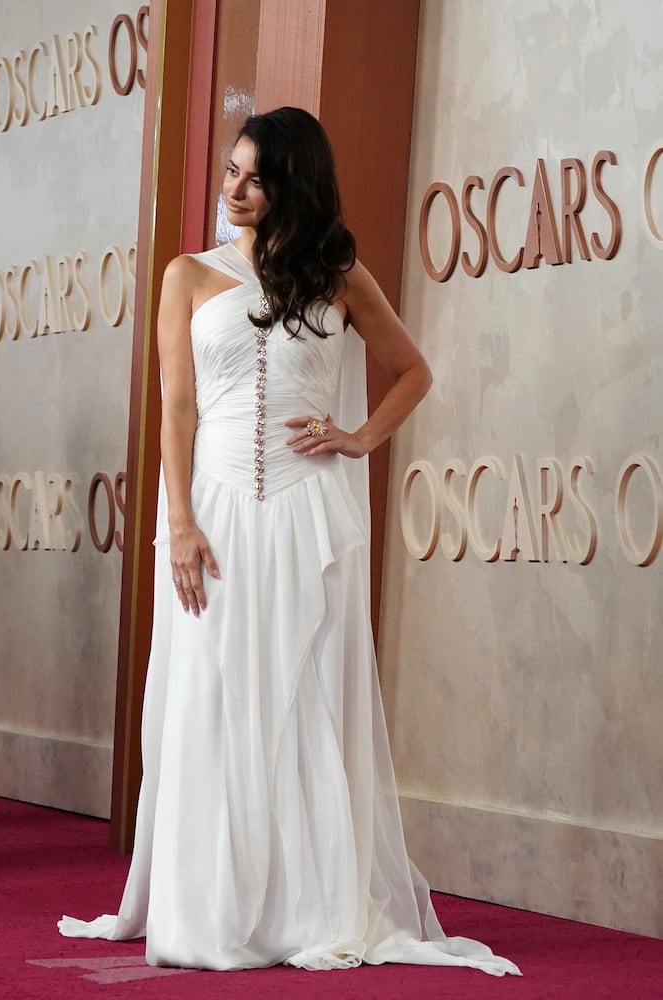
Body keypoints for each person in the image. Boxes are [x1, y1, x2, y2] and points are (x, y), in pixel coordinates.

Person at [58, 108, 519, 976]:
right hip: (217, 515)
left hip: (308, 516)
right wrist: (180, 522)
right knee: (211, 692)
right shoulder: (187, 276)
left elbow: (414, 370)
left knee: (307, 698)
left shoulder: (337, 276)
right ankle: (210, 909)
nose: (233, 190)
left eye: (255, 178)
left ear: (292, 185)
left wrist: (358, 437)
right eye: (230, 172)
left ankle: (307, 906)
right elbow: (178, 408)